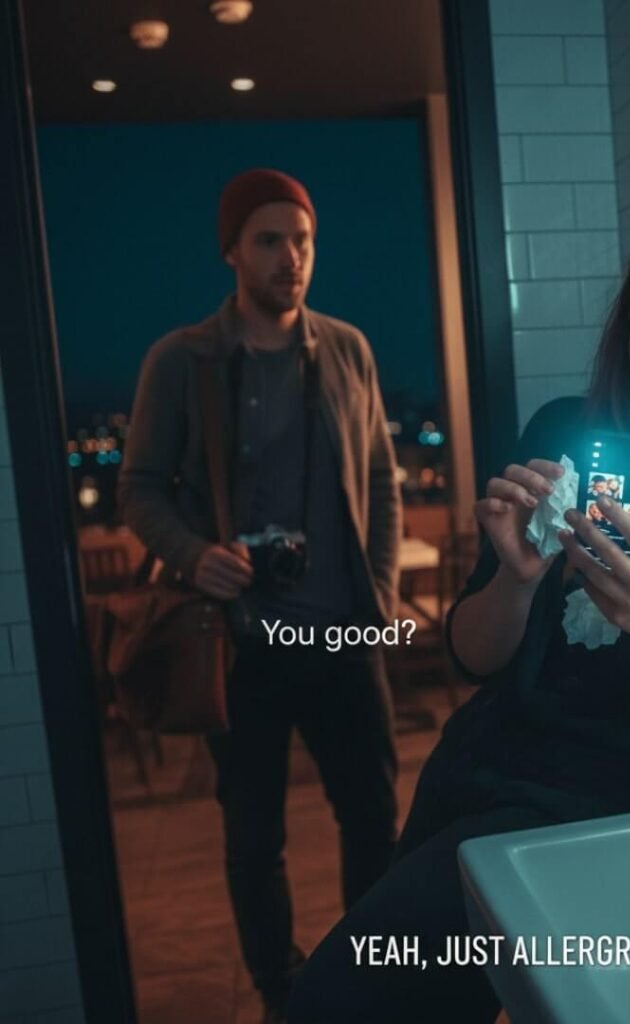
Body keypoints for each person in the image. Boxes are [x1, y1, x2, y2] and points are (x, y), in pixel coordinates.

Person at [288, 177, 630, 1022]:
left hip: (620, 833)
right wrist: (516, 576)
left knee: (335, 1002)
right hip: (479, 789)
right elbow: (471, 655)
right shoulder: (558, 431)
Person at [118, 168, 402, 1024]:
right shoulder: (182, 360)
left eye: (303, 240)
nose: (291, 257)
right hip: (239, 644)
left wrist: (381, 599)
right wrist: (193, 554)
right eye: (271, 240)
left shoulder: (348, 348)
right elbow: (139, 487)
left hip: (344, 636)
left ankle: (373, 974)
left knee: (374, 819)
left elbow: (383, 482)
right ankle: (283, 992)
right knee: (253, 840)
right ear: (232, 251)